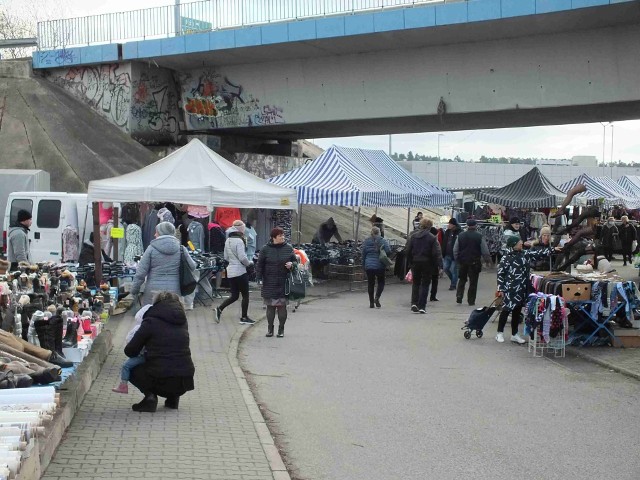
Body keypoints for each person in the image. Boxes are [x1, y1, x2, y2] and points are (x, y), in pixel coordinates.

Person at [124, 292, 195, 412]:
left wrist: (145, 352)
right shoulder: (183, 322)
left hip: (160, 380)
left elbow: (130, 351)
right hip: (184, 381)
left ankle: (150, 398)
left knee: (130, 367)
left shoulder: (150, 321)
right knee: (173, 361)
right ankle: (173, 399)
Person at [496, 235, 559, 344]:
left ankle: (514, 334)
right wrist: (501, 288)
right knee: (506, 310)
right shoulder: (506, 258)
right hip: (510, 289)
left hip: (522, 288)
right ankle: (499, 333)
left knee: (517, 311)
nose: (521, 243)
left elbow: (538, 254)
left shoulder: (524, 254)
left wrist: (553, 250)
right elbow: (500, 274)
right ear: (514, 245)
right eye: (519, 242)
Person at [130, 222, 196, 306]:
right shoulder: (181, 249)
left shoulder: (151, 249)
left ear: (161, 233)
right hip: (174, 290)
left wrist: (134, 290)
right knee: (171, 315)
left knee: (152, 315)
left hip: (153, 291)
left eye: (156, 232)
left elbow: (141, 273)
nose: (154, 234)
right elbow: (193, 267)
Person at [256, 227, 297, 338]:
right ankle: (270, 329)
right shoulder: (265, 249)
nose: (282, 237)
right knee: (270, 306)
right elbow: (259, 265)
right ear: (273, 237)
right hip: (269, 281)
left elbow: (295, 261)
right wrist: (259, 278)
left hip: (284, 281)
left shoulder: (288, 248)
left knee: (282, 306)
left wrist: (292, 265)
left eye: (283, 235)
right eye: (280, 236)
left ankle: (281, 329)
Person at [214, 220, 254, 325]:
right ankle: (244, 317)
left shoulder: (228, 240)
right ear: (241, 229)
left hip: (230, 271)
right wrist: (248, 263)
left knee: (235, 295)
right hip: (240, 271)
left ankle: (219, 308)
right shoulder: (240, 241)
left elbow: (226, 257)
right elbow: (242, 257)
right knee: (245, 295)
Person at [405, 218, 443, 314]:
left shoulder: (413, 237)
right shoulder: (432, 238)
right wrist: (439, 265)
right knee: (425, 284)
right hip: (427, 263)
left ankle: (414, 302)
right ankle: (422, 306)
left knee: (416, 283)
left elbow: (408, 250)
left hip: (415, 262)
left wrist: (410, 262)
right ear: (430, 226)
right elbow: (436, 253)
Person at [112, 304, 151, 394]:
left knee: (126, 366)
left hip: (142, 355)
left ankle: (123, 385)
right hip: (148, 354)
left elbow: (131, 341)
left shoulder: (140, 328)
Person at [453, 219, 491, 306]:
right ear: (475, 225)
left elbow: (455, 249)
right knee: (473, 282)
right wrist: (487, 260)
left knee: (462, 279)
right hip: (475, 262)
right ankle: (471, 300)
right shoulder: (479, 236)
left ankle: (459, 295)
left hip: (462, 261)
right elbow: (484, 250)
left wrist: (457, 259)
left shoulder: (460, 236)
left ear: (467, 225)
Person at [361, 226, 391, 308]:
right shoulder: (382, 240)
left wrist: (363, 265)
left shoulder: (366, 241)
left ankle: (371, 303)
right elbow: (389, 251)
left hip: (369, 265)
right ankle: (377, 297)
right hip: (380, 265)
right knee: (381, 282)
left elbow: (363, 254)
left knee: (370, 283)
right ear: (379, 232)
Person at [442, 218, 461, 291]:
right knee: (445, 268)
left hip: (455, 254)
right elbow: (444, 242)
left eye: (449, 224)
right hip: (447, 254)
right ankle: (454, 280)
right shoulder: (447, 232)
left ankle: (453, 285)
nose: (448, 225)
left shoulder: (459, 232)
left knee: (454, 270)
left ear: (453, 225)